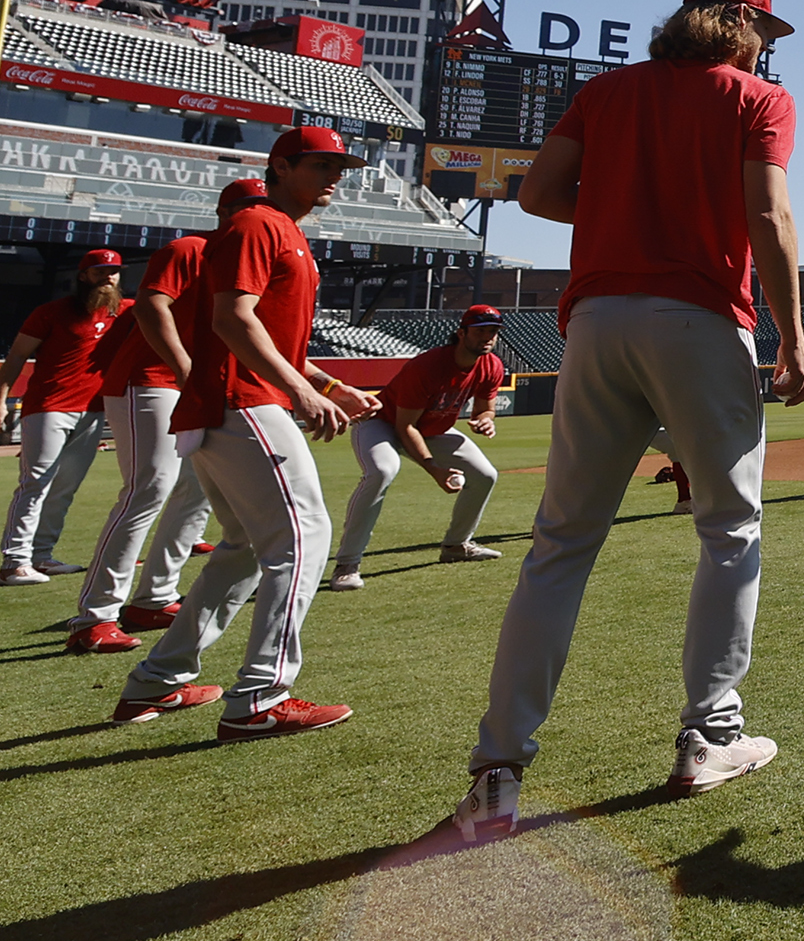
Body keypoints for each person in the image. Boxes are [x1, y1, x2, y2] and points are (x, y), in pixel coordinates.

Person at [450, 0, 804, 844]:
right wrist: (795, 334)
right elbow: (768, 216)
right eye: (762, 26)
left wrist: (624, 210)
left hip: (597, 318)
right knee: (729, 529)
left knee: (561, 542)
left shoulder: (606, 90)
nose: (768, 42)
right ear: (735, 22)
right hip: (696, 318)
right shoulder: (760, 97)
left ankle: (497, 771)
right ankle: (710, 733)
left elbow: (535, 194)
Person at [111, 125, 378, 735]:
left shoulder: (284, 231)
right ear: (281, 167)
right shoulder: (259, 223)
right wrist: (304, 391)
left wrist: (329, 386)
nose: (336, 175)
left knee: (242, 553)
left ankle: (154, 682)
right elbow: (233, 319)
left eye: (342, 166)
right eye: (321, 165)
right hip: (242, 403)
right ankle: (260, 697)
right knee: (304, 539)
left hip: (232, 405)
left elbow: (275, 339)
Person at [64, 180, 263, 653]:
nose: (254, 216)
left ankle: (154, 596)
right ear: (225, 211)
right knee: (149, 488)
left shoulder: (246, 260)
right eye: (246, 208)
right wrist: (186, 368)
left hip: (187, 385)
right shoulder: (190, 247)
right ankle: (95, 615)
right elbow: (151, 307)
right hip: (147, 379)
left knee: (196, 488)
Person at [328, 304, 510, 590]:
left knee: (485, 475)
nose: (487, 337)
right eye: (480, 331)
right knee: (382, 471)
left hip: (431, 428)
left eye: (493, 331)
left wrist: (486, 420)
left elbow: (485, 409)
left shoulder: (491, 365)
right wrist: (433, 468)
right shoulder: (429, 365)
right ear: (461, 333)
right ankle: (347, 564)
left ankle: (456, 545)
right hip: (383, 424)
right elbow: (405, 427)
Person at [0, 249, 127, 585]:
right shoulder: (51, 313)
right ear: (83, 276)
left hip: (94, 410)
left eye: (113, 272)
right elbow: (16, 357)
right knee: (36, 482)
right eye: (99, 271)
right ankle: (13, 562)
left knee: (66, 487)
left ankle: (41, 556)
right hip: (48, 406)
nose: (108, 277)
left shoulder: (126, 312)